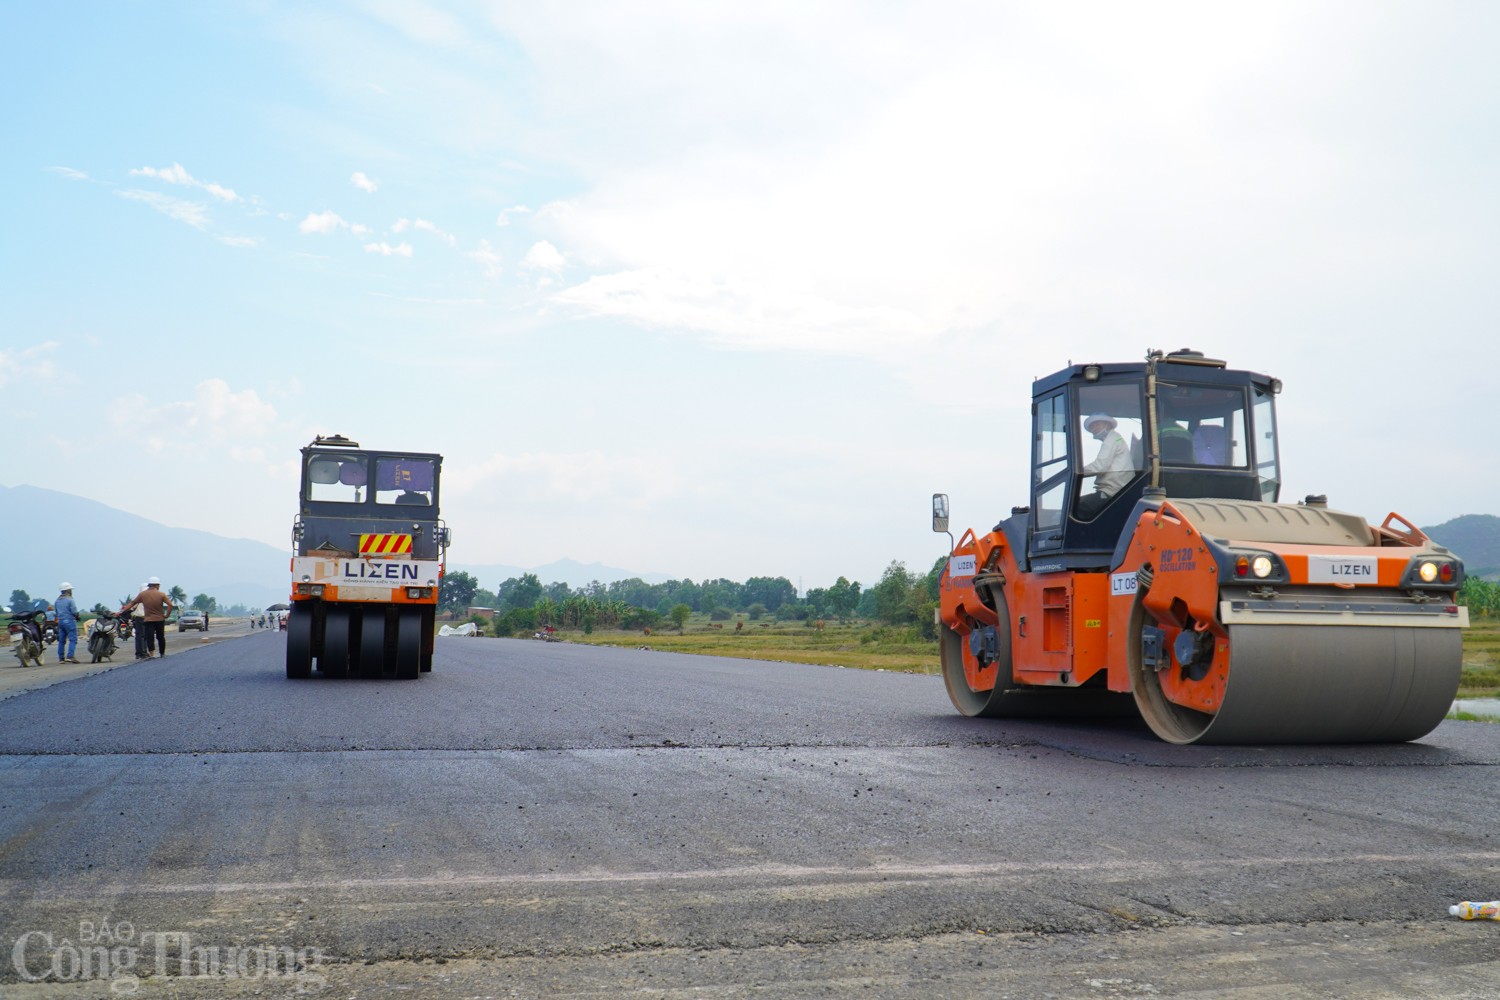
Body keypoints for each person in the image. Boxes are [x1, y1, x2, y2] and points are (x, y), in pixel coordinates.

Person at [1076, 412, 1134, 519]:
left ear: (1108, 424)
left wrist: (1077, 472)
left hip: (1112, 493)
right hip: (1115, 491)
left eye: (1097, 424)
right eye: (1092, 427)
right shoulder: (1115, 439)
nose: (1094, 429)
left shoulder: (1112, 438)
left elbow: (1099, 467)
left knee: (1074, 507)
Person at [123, 577, 173, 659]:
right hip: (159, 619)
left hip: (148, 619)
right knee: (160, 637)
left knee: (150, 637)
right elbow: (170, 605)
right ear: (157, 585)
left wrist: (121, 611)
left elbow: (132, 603)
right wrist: (166, 615)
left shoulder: (142, 594)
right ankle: (162, 653)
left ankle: (151, 653)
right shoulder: (162, 594)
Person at [54, 583, 81, 663]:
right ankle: (70, 656)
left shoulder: (57, 601)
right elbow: (74, 611)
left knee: (61, 640)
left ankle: (61, 658)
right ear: (68, 590)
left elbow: (56, 612)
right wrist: (77, 616)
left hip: (60, 621)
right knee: (73, 639)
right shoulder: (70, 600)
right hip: (69, 621)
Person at [126, 583, 151, 659]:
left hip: (138, 618)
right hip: (146, 618)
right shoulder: (149, 597)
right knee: (145, 636)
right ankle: (144, 652)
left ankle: (138, 653)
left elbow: (132, 607)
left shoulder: (138, 597)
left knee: (139, 636)